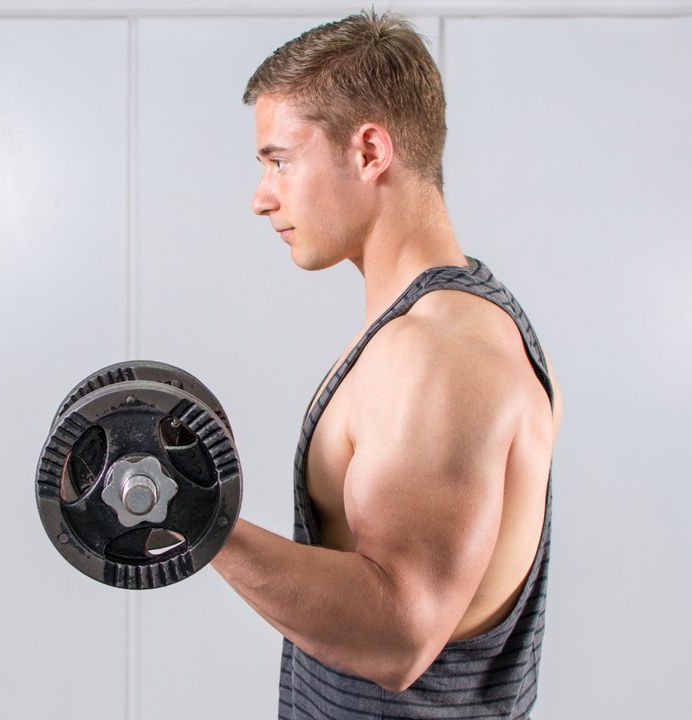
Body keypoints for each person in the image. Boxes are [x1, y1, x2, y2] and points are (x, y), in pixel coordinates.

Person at [208, 10, 564, 719]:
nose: (262, 197)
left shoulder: (436, 355)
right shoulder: (440, 323)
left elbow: (398, 635)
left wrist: (200, 528)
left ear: (369, 150)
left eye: (280, 160)